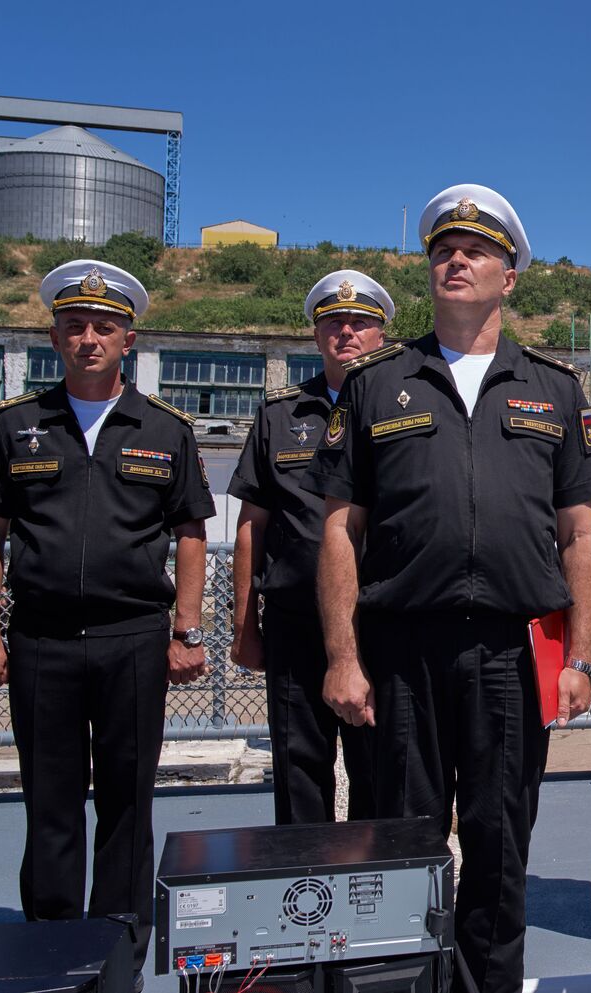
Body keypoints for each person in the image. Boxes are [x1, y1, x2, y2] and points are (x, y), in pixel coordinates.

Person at [301, 184, 591, 993]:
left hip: (511, 651)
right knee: (404, 843)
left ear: (508, 277)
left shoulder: (554, 387)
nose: (456, 260)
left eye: (476, 251)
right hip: (403, 650)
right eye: (444, 249)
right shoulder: (377, 382)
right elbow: (340, 530)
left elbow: (580, 533)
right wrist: (342, 656)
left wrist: (581, 654)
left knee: (500, 844)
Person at [0, 260, 214, 988]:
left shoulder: (165, 428)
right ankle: (49, 942)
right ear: (54, 338)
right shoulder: (17, 425)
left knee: (128, 800)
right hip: (41, 638)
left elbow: (190, 532)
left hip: (133, 637)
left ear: (128, 340)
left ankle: (118, 946)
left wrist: (187, 631)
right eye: (74, 326)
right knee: (51, 799)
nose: (89, 338)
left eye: (104, 327)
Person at [227, 270, 392, 824]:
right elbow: (251, 525)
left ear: (381, 335)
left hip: (380, 621)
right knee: (299, 767)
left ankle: (373, 873)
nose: (346, 332)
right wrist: (245, 627)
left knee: (380, 768)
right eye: (333, 323)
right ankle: (305, 875)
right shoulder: (280, 415)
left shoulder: (402, 411)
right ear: (316, 335)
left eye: (360, 323)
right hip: (295, 619)